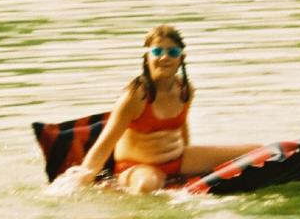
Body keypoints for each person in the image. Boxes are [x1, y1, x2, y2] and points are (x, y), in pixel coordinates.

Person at [57, 25, 259, 194]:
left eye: (172, 52)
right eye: (157, 51)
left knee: (256, 152)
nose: (164, 57)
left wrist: (189, 169)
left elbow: (182, 126)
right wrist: (84, 175)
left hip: (178, 158)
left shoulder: (185, 89)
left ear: (181, 58)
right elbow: (106, 142)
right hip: (137, 167)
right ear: (147, 58)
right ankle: (117, 190)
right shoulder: (135, 96)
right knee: (147, 186)